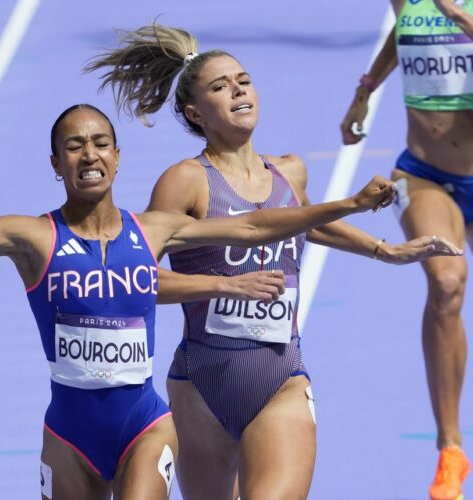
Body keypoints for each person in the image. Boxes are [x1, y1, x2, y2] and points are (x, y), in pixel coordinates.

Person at [0, 103, 406, 499]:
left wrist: (348, 205)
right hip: (68, 432)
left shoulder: (153, 230)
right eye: (73, 147)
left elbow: (257, 228)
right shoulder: (32, 237)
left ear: (118, 156)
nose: (88, 154)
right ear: (56, 165)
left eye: (100, 142)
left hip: (144, 424)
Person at [84, 23, 465, 499]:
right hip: (200, 387)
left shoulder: (289, 170)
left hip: (281, 379)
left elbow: (299, 222)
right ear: (195, 112)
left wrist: (381, 249)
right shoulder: (185, 181)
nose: (238, 90)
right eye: (220, 87)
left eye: (243, 80)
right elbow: (139, 280)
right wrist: (223, 287)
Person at [341, 1, 473, 497]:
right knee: (445, 283)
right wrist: (365, 91)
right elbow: (403, 30)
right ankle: (451, 449)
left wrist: (458, 15)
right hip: (424, 172)